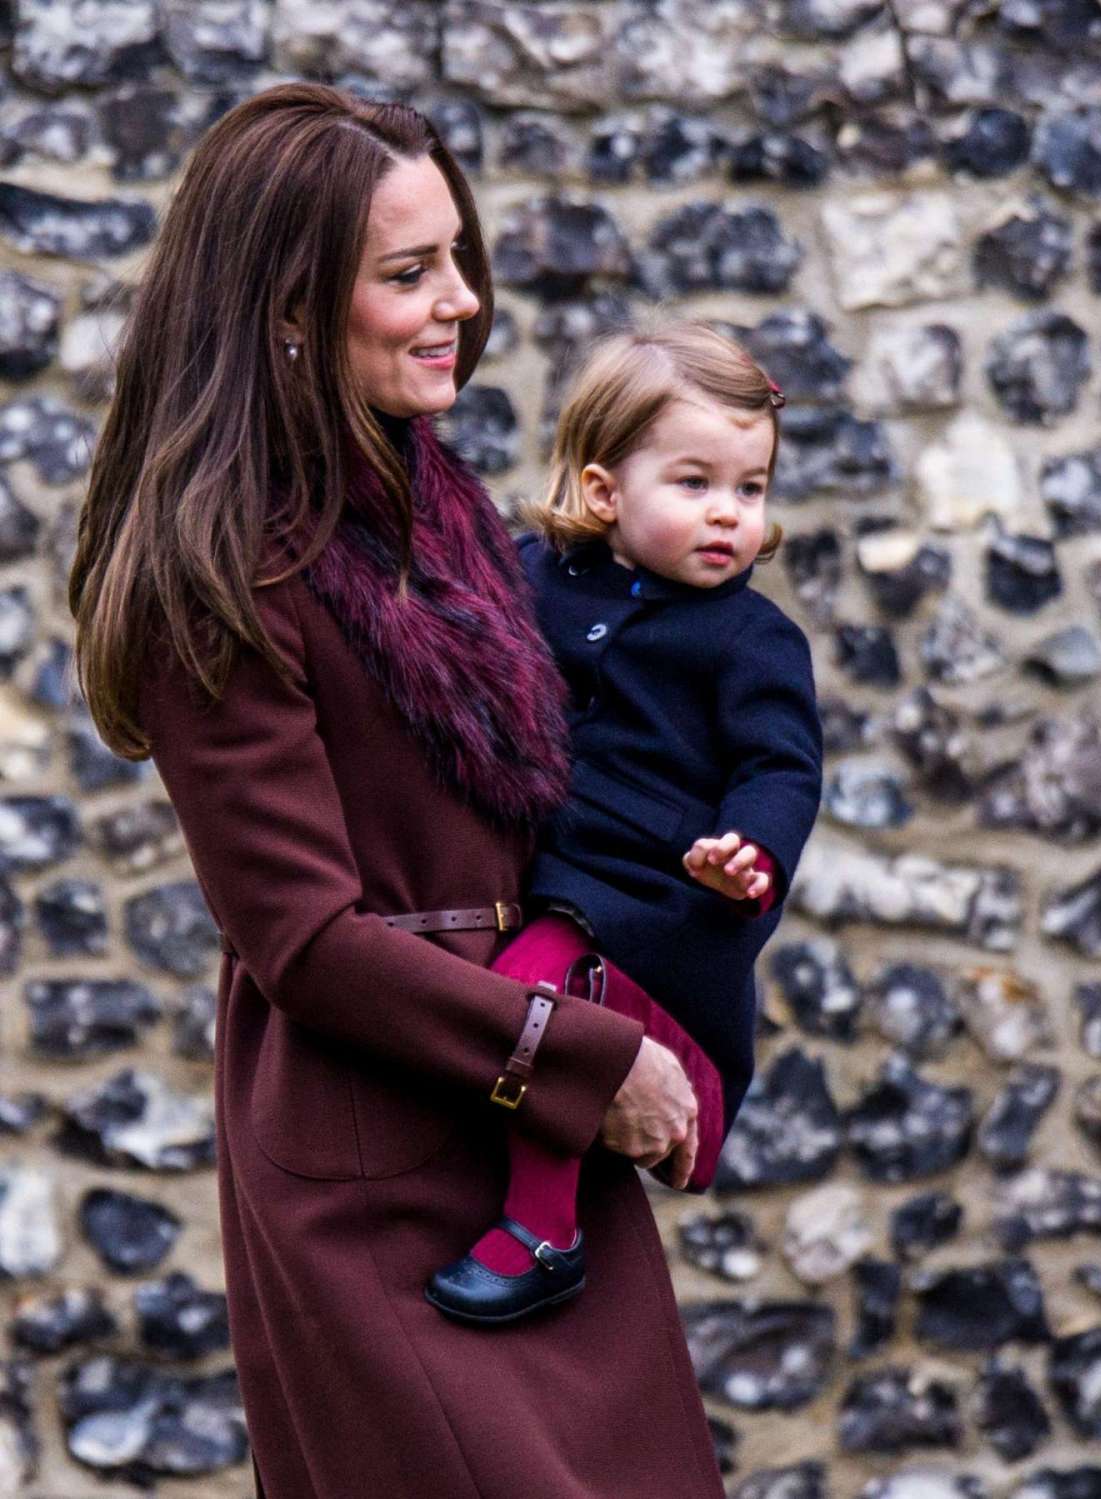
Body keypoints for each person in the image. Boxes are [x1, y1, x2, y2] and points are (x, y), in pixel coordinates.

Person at [68, 82, 729, 1499]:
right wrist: (588, 1059)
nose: (464, 302)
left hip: (537, 1142)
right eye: (411, 272)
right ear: (291, 304)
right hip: (378, 1173)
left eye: (459, 259)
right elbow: (301, 938)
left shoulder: (455, 509)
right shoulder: (218, 573)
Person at [426, 324, 823, 1325]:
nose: (729, 514)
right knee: (494, 988)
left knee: (527, 999)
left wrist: (754, 852)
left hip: (652, 895)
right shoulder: (531, 575)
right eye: (694, 483)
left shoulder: (752, 636)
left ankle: (542, 1229)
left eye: (751, 487)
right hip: (555, 867)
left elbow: (782, 763)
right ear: (605, 492)